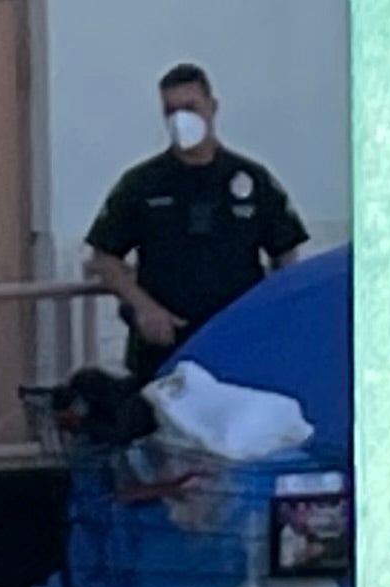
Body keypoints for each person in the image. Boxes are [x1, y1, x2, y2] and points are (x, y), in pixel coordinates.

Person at [84, 63, 308, 380]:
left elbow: (286, 255)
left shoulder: (252, 180)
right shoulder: (142, 183)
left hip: (237, 346)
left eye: (190, 108)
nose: (180, 120)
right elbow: (104, 259)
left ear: (212, 107)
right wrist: (144, 308)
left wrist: (272, 316)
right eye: (171, 111)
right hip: (164, 351)